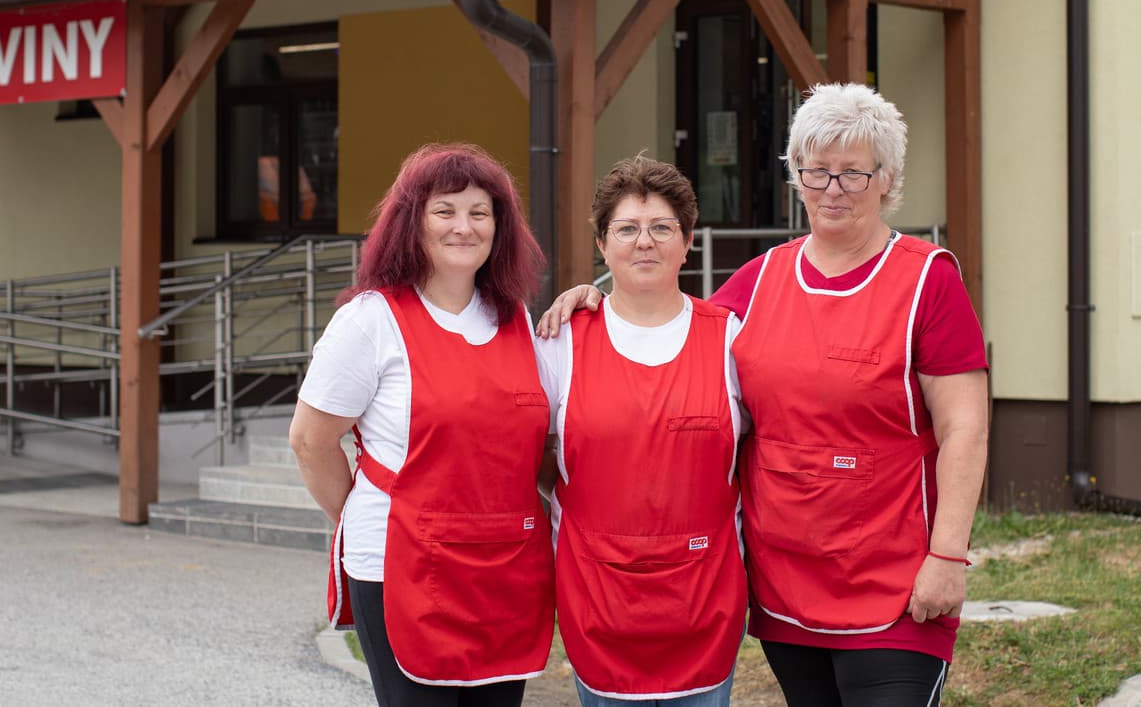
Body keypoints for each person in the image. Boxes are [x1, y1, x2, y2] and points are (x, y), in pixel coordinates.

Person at [540, 84, 989, 706]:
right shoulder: (759, 281)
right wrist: (591, 298)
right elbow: (666, 329)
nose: (833, 189)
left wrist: (948, 555)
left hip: (896, 582)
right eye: (816, 172)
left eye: (853, 174)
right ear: (797, 180)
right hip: (785, 584)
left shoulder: (926, 280)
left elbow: (966, 427)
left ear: (886, 179)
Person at [290, 143, 554, 707]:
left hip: (502, 564)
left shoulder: (515, 319)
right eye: (445, 211)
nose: (464, 227)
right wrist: (369, 511)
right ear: (413, 223)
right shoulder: (370, 320)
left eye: (480, 213)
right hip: (400, 564)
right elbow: (311, 442)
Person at [535, 155, 747, 707]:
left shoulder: (731, 340)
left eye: (661, 227)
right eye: (626, 228)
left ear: (687, 240)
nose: (644, 242)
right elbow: (525, 458)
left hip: (704, 605)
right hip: (599, 606)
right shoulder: (560, 343)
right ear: (602, 244)